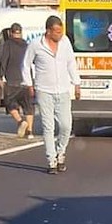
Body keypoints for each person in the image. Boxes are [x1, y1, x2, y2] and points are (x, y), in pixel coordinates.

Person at [22, 15, 80, 174]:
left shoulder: (65, 42)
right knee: (48, 127)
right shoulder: (36, 45)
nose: (59, 35)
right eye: (56, 32)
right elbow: (26, 65)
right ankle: (52, 161)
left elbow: (71, 63)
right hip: (44, 90)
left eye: (61, 32)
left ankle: (61, 152)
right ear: (48, 31)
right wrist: (29, 84)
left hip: (63, 90)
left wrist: (77, 83)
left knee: (66, 125)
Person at [0, 23, 34, 139]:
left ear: (11, 33)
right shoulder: (26, 45)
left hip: (12, 81)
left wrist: (1, 76)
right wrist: (31, 82)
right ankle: (30, 132)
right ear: (21, 32)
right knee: (28, 107)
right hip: (26, 80)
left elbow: (4, 60)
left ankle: (20, 121)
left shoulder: (8, 44)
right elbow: (30, 64)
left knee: (10, 104)